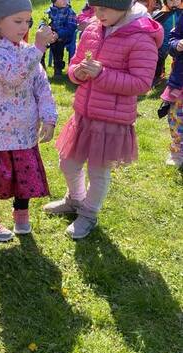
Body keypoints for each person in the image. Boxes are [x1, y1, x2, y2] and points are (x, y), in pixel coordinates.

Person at [44, 0, 163, 239]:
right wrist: (76, 73)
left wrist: (102, 74)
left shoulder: (141, 37)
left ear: (123, 7)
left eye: (104, 9)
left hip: (111, 120)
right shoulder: (92, 28)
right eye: (95, 8)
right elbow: (75, 63)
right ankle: (75, 199)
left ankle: (88, 214)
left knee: (98, 172)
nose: (98, 14)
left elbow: (141, 83)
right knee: (67, 162)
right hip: (83, 113)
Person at [0, 0, 58, 242]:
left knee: (24, 175)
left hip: (25, 131)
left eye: (27, 21)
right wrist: (37, 48)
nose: (24, 26)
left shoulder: (27, 49)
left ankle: (21, 215)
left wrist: (49, 117)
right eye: (17, 21)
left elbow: (42, 87)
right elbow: (13, 76)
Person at [160, 12, 183, 166]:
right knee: (177, 117)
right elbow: (172, 40)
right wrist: (178, 45)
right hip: (181, 80)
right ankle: (177, 151)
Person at [42, 0, 78, 76]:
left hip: (65, 36)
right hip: (51, 35)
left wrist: (58, 34)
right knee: (41, 43)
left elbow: (70, 28)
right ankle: (41, 64)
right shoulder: (49, 11)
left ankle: (58, 67)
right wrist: (47, 32)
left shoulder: (69, 12)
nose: (66, 0)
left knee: (58, 44)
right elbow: (43, 24)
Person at [152, 0, 182, 86]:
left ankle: (175, 77)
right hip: (163, 43)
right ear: (165, 2)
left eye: (176, 0)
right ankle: (159, 75)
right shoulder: (161, 14)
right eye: (170, 1)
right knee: (159, 59)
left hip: (177, 42)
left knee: (177, 60)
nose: (173, 3)